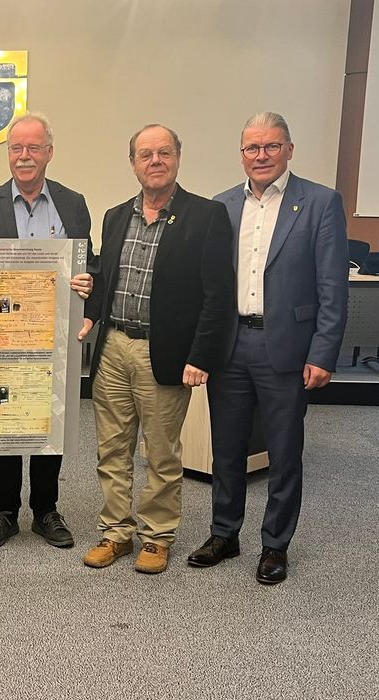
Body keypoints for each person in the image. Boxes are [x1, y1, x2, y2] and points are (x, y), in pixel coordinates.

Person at [188, 112, 348, 584]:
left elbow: (333, 286)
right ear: (241, 154)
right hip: (230, 346)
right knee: (227, 450)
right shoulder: (221, 206)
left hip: (288, 348)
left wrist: (323, 352)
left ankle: (275, 544)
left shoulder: (320, 202)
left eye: (271, 146)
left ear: (289, 150)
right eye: (252, 148)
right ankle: (224, 533)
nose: (261, 156)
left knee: (283, 452)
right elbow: (208, 284)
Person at [80, 124, 236, 575]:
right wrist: (90, 306)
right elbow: (105, 279)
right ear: (133, 163)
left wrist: (200, 356)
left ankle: (156, 536)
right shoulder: (115, 216)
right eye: (145, 154)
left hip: (164, 352)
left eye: (164, 152)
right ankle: (115, 532)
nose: (155, 161)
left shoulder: (206, 216)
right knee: (112, 449)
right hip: (113, 347)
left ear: (177, 158)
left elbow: (218, 294)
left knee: (162, 453)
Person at [0, 111, 95, 550]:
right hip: (2, 333)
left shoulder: (73, 204)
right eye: (16, 148)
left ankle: (45, 510)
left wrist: (88, 283)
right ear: (8, 154)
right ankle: (4, 510)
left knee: (46, 421)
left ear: (49, 153)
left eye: (33, 147)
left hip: (55, 335)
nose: (24, 156)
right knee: (5, 419)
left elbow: (87, 263)